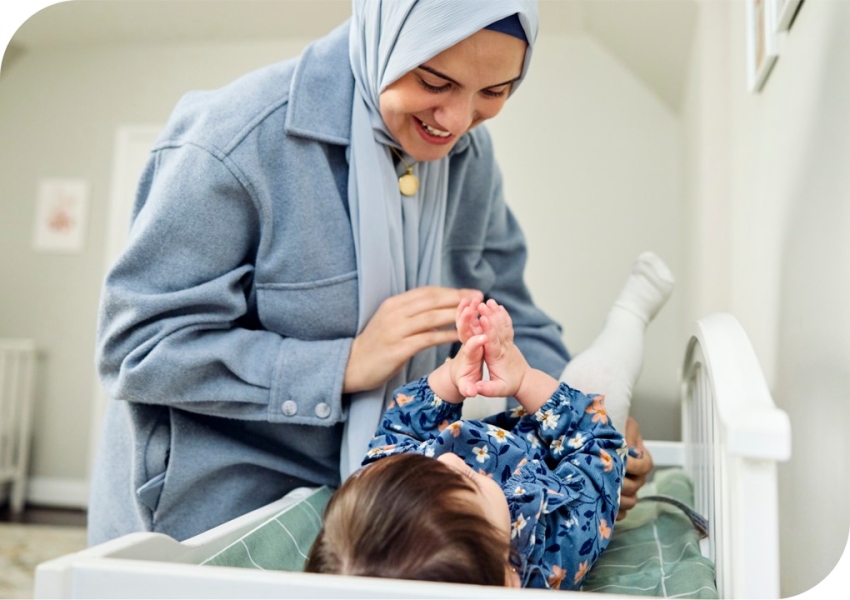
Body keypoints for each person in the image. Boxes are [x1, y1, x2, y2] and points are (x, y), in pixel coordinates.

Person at [88, 0, 652, 545]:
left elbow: (511, 314)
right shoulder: (235, 139)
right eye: (434, 82)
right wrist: (343, 365)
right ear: (387, 32)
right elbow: (137, 347)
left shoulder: (470, 160)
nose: (457, 120)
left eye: (494, 92)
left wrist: (584, 421)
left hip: (387, 507)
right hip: (215, 514)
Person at [305, 252, 674, 589]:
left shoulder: (386, 493)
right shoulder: (554, 550)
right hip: (565, 446)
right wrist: (526, 380)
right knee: (597, 376)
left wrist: (452, 377)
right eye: (467, 481)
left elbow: (403, 427)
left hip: (498, 426)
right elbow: (597, 448)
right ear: (508, 576)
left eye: (434, 469)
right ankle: (629, 315)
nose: (448, 460)